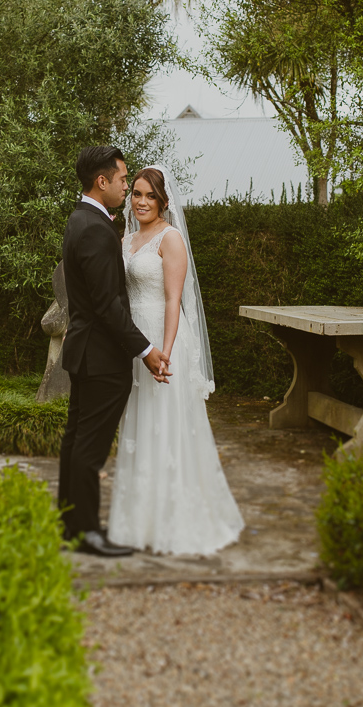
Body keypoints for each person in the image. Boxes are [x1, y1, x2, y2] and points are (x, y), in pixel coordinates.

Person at [107, 164, 245, 555]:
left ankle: (176, 520)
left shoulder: (171, 239)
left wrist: (164, 352)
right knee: (140, 423)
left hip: (162, 337)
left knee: (165, 422)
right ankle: (140, 520)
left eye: (150, 196)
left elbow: (173, 299)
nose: (142, 202)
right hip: (135, 341)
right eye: (136, 193)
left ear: (164, 201)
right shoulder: (126, 239)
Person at [58, 146, 171, 557]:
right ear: (101, 181)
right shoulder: (94, 228)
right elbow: (107, 305)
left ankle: (71, 525)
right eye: (123, 180)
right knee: (88, 449)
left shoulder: (81, 219)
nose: (126, 187)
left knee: (75, 442)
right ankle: (87, 532)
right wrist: (145, 350)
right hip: (102, 359)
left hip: (85, 352)